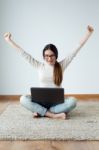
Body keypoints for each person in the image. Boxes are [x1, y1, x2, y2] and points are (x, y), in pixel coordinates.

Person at [4, 25, 94, 120]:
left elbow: (76, 50)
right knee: (23, 99)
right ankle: (53, 114)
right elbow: (23, 54)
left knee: (73, 101)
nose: (49, 58)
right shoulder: (39, 66)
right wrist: (8, 40)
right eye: (46, 56)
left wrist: (88, 33)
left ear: (56, 55)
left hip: (56, 103)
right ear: (43, 56)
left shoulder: (61, 65)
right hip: (41, 101)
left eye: (52, 55)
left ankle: (41, 111)